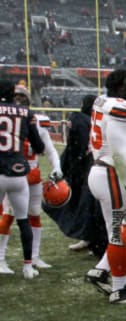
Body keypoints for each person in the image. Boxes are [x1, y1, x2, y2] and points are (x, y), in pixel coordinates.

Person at [83, 68, 126, 304]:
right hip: (112, 174)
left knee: (115, 231)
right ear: (122, 86)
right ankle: (119, 291)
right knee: (118, 234)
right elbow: (120, 154)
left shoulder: (103, 101)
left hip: (100, 171)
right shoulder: (122, 107)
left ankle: (100, 271)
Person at [0, 84, 61, 274]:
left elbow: (49, 149)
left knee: (33, 214)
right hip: (16, 172)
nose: (19, 100)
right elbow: (41, 147)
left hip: (31, 174)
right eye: (16, 96)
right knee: (11, 216)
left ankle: (33, 258)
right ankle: (2, 258)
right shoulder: (26, 116)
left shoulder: (35, 120)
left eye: (22, 96)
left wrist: (57, 167)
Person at [43, 94, 108, 257]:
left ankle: (94, 241)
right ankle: (90, 239)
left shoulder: (83, 120)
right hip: (88, 168)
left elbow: (78, 147)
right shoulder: (89, 120)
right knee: (86, 206)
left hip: (88, 169)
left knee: (88, 206)